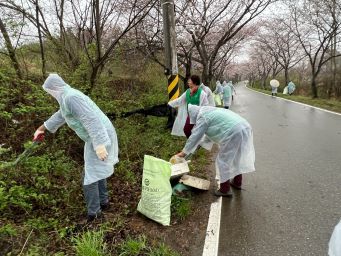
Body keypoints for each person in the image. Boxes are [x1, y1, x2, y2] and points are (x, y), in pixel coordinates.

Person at [33, 74, 119, 222]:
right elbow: (61, 116)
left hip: (99, 137)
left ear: (54, 88)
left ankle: (95, 214)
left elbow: (91, 119)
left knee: (90, 175)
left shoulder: (71, 97)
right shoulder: (67, 97)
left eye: (50, 91)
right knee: (97, 170)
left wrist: (99, 144)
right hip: (98, 136)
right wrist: (42, 128)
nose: (51, 95)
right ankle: (103, 203)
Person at [173, 104, 255, 197]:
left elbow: (195, 136)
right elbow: (209, 134)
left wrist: (184, 152)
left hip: (234, 132)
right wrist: (198, 145)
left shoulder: (202, 117)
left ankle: (225, 190)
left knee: (223, 161)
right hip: (245, 126)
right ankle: (237, 182)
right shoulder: (208, 111)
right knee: (237, 157)